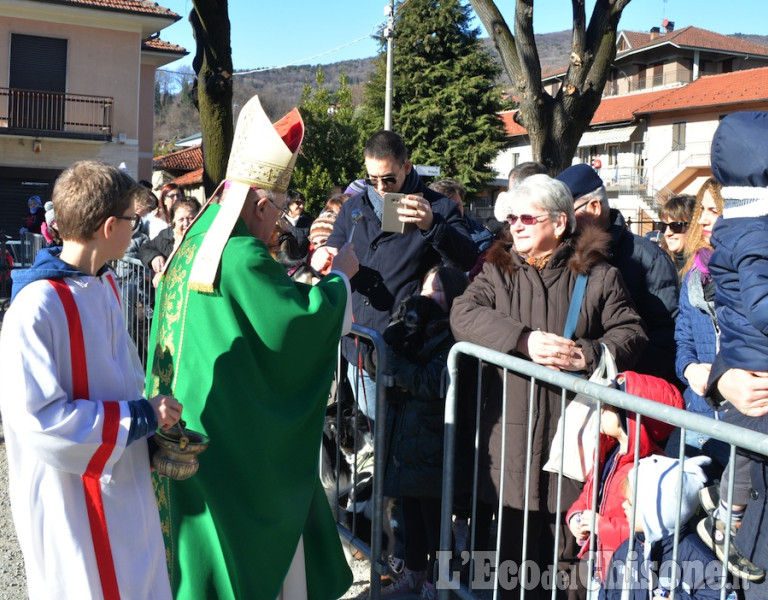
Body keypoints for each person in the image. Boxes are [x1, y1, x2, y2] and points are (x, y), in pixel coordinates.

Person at [145, 95, 358, 599]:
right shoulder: (238, 252)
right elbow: (293, 329)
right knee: (239, 547)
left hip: (183, 415)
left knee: (197, 548)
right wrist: (341, 281)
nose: (280, 226)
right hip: (228, 433)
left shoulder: (195, 241)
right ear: (260, 203)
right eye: (279, 213)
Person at [450, 174, 648, 598]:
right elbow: (462, 315)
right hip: (509, 452)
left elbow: (631, 332)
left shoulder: (599, 275)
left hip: (570, 452)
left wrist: (586, 355)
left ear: (559, 223)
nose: (515, 226)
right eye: (512, 218)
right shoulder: (496, 269)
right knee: (507, 568)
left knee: (565, 571)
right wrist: (523, 339)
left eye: (526, 217)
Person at [0, 160, 183, 598]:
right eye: (132, 220)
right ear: (108, 226)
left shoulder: (104, 286)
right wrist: (139, 419)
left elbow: (124, 379)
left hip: (123, 482)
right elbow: (40, 420)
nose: (135, 229)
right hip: (74, 503)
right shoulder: (35, 310)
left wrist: (154, 428)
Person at [313, 129, 477, 423]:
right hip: (358, 347)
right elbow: (334, 248)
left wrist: (432, 225)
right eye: (371, 179)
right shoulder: (354, 205)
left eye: (388, 178)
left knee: (394, 444)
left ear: (407, 167)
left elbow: (466, 257)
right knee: (371, 437)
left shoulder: (438, 206)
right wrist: (323, 256)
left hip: (405, 351)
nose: (380, 187)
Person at [699, 111, 768, 584]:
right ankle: (724, 520)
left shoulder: (744, 231)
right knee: (745, 458)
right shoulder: (756, 237)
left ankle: (724, 511)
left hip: (750, 358)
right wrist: (723, 375)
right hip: (754, 363)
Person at [379, 266, 469, 597]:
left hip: (436, 442)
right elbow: (382, 358)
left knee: (435, 520)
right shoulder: (414, 326)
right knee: (412, 512)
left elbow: (429, 382)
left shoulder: (454, 336)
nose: (429, 295)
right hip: (409, 440)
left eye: (439, 290)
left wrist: (394, 362)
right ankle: (415, 573)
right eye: (427, 288)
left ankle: (439, 581)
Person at [556, 163, 679, 381]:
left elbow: (667, 336)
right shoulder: (561, 253)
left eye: (567, 213)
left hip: (626, 388)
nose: (561, 222)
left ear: (594, 207)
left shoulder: (649, 257)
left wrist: (617, 378)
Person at [566, 376, 683, 583]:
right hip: (600, 563)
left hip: (628, 573)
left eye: (608, 407)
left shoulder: (650, 470)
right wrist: (576, 516)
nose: (600, 410)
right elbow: (590, 491)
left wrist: (601, 525)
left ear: (627, 419)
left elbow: (644, 530)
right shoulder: (609, 451)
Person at [600, 455, 720, 600]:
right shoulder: (626, 550)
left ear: (655, 513)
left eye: (631, 503)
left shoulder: (697, 559)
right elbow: (608, 594)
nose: (623, 506)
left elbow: (717, 595)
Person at [671, 178, 729, 471]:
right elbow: (683, 339)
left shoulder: (752, 271)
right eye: (702, 209)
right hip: (698, 413)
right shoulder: (694, 272)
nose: (704, 217)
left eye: (714, 209)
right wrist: (689, 369)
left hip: (741, 421)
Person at [139, 197, 201, 287]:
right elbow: (144, 248)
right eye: (181, 219)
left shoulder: (204, 237)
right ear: (173, 221)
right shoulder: (165, 236)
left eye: (191, 218)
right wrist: (154, 257)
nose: (186, 223)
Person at [658, 194, 696, 274]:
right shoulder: (658, 261)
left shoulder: (705, 267)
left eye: (675, 226)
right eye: (663, 226)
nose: (667, 233)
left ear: (693, 227)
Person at [279, 188, 313, 258]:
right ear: (288, 203)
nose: (301, 206)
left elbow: (310, 248)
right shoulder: (279, 222)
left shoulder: (308, 224)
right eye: (298, 203)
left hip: (301, 265)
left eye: (303, 203)